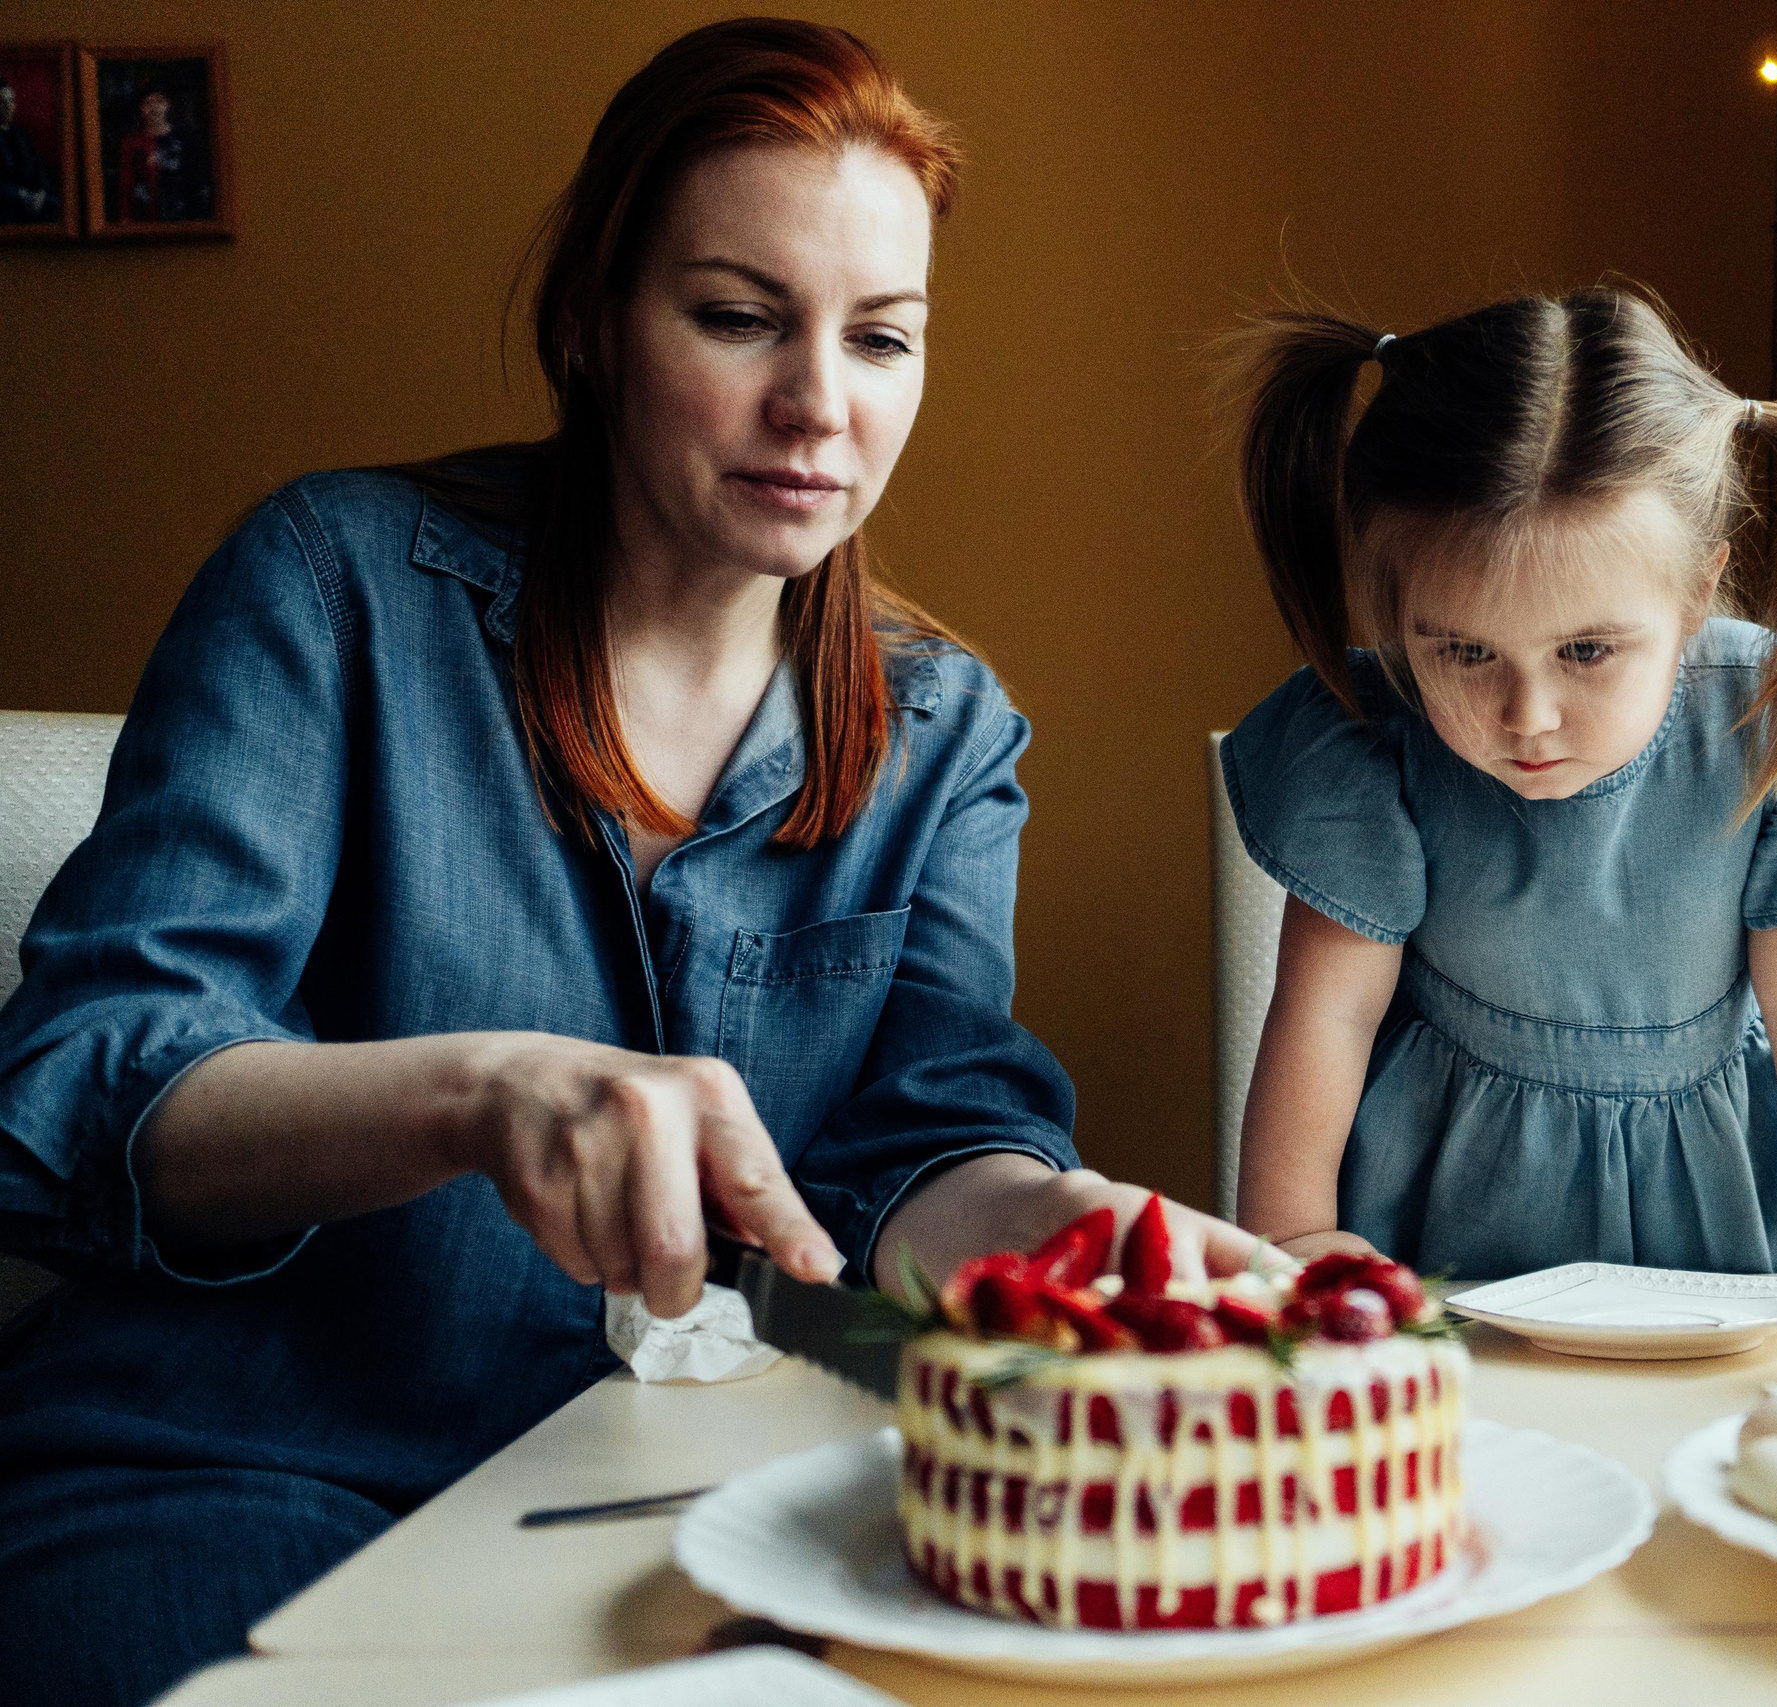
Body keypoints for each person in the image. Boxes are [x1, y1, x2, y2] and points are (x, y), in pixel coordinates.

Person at [0, 22, 1250, 1707]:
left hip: (668, 1501)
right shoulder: (331, 584)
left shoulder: (946, 734)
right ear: (593, 320)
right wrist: (480, 1094)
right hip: (221, 1468)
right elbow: (91, 1083)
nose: (822, 402)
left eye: (883, 337)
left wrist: (1053, 1225)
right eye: (739, 317)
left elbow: (922, 1148)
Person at [1221, 290, 1777, 1285]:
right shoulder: (1373, 745)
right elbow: (1324, 1011)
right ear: (1396, 615)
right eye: (1464, 650)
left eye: (1587, 650)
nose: (1528, 713)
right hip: (1451, 1232)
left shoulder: (1765, 720)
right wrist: (1291, 1238)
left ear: (1695, 592)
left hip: (1724, 1234)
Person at [114, 85, 206, 223]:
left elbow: (196, 177)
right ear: (141, 108)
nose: (154, 108)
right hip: (144, 215)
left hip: (181, 214)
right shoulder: (132, 142)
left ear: (168, 105)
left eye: (159, 102)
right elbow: (126, 181)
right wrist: (125, 216)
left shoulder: (185, 138)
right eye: (148, 103)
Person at [0, 78, 61, 223]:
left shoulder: (23, 135)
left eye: (11, 101)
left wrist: (40, 193)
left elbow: (38, 169)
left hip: (34, 201)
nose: (9, 106)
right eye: (2, 102)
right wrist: (20, 194)